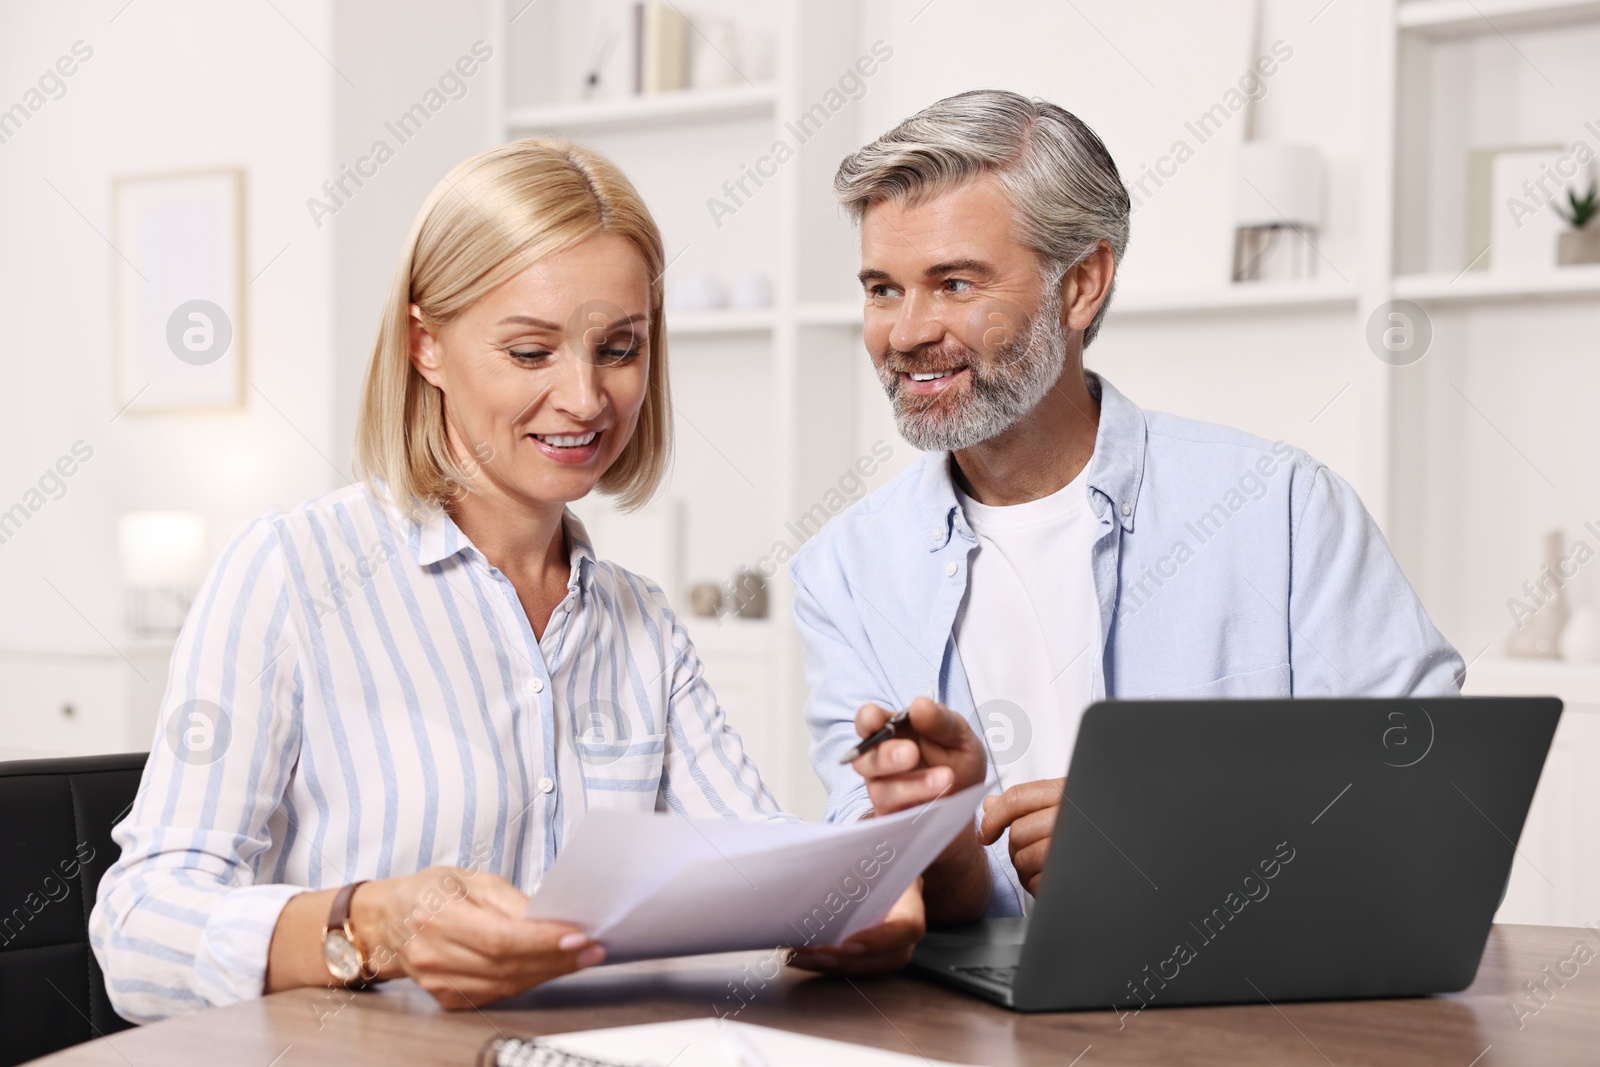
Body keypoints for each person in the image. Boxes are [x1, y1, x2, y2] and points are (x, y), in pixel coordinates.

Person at [90, 138, 923, 1022]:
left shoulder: (639, 621)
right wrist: (370, 925)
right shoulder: (291, 574)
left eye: (618, 348)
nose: (585, 397)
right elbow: (138, 932)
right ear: (426, 346)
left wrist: (849, 904)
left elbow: (758, 875)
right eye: (531, 352)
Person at [795, 90, 1464, 921]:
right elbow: (909, 910)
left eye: (954, 282)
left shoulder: (1284, 514)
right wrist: (946, 842)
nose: (904, 333)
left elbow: (1434, 808)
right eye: (883, 289)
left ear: (1080, 286)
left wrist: (1169, 838)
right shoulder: (845, 573)